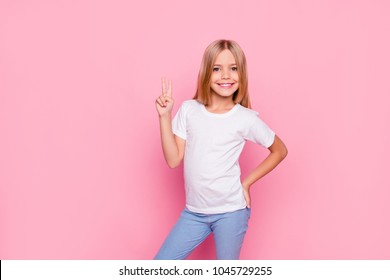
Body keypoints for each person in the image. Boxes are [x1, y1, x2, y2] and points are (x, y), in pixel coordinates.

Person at [154, 39, 288, 260]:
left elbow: (280, 150)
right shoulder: (189, 110)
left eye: (233, 68)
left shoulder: (245, 118)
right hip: (194, 213)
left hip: (231, 212)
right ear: (206, 72)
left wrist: (246, 182)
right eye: (217, 69)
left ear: (241, 74)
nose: (226, 75)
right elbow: (173, 160)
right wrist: (164, 117)